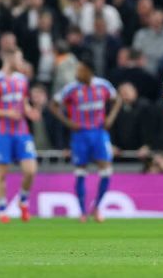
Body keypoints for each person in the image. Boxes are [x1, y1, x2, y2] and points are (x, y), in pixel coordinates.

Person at [50, 57, 122, 222]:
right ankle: (82, 211)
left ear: (89, 71)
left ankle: (97, 207)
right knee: (80, 170)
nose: (77, 73)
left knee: (106, 170)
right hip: (80, 135)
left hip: (99, 133)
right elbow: (53, 105)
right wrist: (68, 122)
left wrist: (110, 118)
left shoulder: (102, 85)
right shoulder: (71, 89)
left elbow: (117, 99)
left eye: (80, 69)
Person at [0, 48, 39, 224]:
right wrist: (7, 113)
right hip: (3, 133)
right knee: (1, 172)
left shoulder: (22, 80)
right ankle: (1, 209)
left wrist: (30, 111)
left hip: (22, 132)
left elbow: (24, 103)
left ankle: (23, 200)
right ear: (8, 58)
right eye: (19, 58)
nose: (21, 62)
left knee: (30, 170)